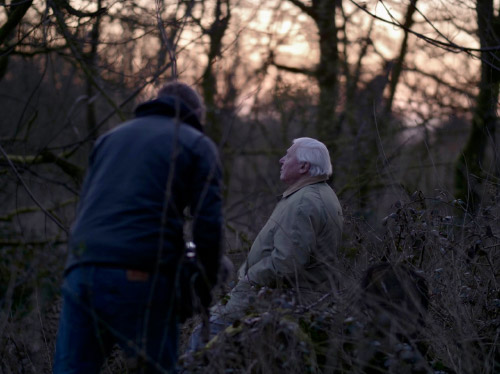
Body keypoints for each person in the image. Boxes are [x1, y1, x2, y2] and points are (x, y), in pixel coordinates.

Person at [53, 81, 223, 373]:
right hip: (141, 274)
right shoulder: (196, 144)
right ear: (196, 112)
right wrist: (203, 289)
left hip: (81, 270)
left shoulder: (109, 139)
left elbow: (86, 209)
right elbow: (208, 225)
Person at [187, 137, 343, 352]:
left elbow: (286, 262)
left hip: (276, 297)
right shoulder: (316, 194)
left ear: (304, 166)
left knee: (203, 336)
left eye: (288, 156)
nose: (281, 160)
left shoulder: (304, 202)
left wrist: (250, 277)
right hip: (284, 296)